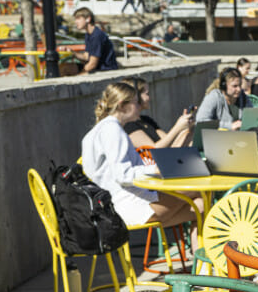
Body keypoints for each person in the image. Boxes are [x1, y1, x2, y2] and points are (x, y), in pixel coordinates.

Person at [81, 82, 199, 230]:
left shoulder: (102, 129)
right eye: (136, 103)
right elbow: (122, 175)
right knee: (198, 189)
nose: (140, 106)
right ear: (122, 105)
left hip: (117, 205)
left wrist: (187, 131)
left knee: (200, 206)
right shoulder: (112, 130)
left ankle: (197, 251)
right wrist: (155, 170)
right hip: (129, 207)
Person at [120, 76, 195, 149]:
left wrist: (188, 128)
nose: (149, 98)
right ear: (136, 96)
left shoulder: (146, 120)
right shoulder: (128, 125)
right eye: (147, 94)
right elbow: (154, 149)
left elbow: (172, 145)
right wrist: (178, 127)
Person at [71, 7, 119, 73]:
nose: (76, 22)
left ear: (88, 19)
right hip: (98, 69)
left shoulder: (97, 35)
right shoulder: (88, 34)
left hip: (106, 71)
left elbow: (92, 64)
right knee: (67, 67)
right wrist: (72, 53)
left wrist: (79, 75)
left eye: (78, 18)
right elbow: (86, 56)